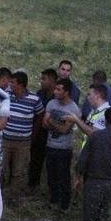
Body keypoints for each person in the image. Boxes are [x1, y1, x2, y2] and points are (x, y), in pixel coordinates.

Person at [2, 71, 44, 194]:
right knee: (2, 168)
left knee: (18, 171)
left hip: (23, 142)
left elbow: (40, 115)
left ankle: (13, 194)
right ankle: (0, 193)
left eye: (12, 82)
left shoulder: (34, 99)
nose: (10, 84)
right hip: (5, 139)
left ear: (20, 85)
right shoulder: (6, 95)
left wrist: (33, 135)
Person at [42, 78, 81, 211]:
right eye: (55, 89)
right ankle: (53, 199)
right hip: (50, 145)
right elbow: (44, 123)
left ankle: (64, 204)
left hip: (64, 148)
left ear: (67, 92)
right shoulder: (51, 103)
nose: (55, 91)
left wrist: (51, 121)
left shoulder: (73, 109)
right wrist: (54, 124)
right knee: (51, 175)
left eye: (59, 89)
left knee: (64, 176)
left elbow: (64, 130)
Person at [28, 68, 57, 190]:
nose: (41, 81)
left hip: (53, 134)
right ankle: (33, 184)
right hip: (39, 132)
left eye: (44, 79)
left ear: (52, 80)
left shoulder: (58, 97)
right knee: (35, 159)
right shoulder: (39, 94)